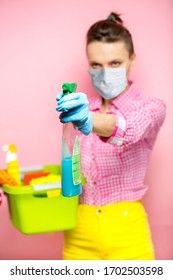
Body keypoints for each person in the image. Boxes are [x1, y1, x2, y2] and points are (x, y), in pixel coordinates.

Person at [56, 12, 166, 260]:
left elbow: (130, 129)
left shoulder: (151, 108)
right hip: (77, 231)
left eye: (115, 63)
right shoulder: (79, 109)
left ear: (132, 59)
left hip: (128, 234)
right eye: (96, 65)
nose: (105, 73)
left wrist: (88, 120)